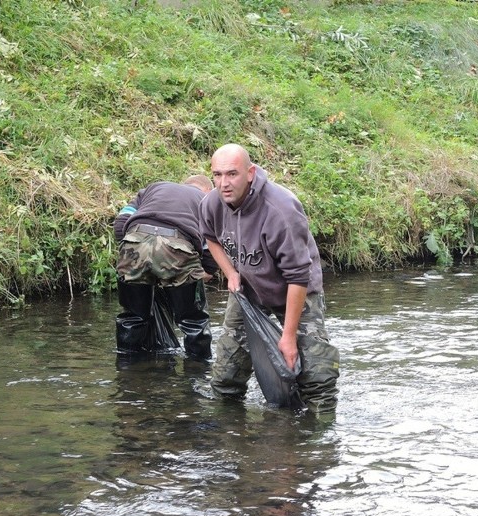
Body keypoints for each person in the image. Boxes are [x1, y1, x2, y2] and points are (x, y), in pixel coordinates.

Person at [199, 143, 340, 413]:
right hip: (248, 288)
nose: (223, 183)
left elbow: (299, 276)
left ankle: (318, 438)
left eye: (232, 174)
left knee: (316, 373)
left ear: (250, 173)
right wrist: (230, 273)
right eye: (217, 175)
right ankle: (227, 430)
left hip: (295, 289)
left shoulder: (281, 210)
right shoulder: (212, 203)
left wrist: (287, 337)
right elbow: (210, 237)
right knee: (226, 373)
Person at [114, 175, 216, 359]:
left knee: (133, 317)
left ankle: (128, 369)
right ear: (207, 190)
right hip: (177, 245)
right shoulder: (206, 201)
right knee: (193, 323)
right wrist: (207, 270)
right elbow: (210, 242)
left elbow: (121, 221)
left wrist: (132, 249)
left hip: (134, 241)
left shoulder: (153, 188)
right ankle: (198, 372)